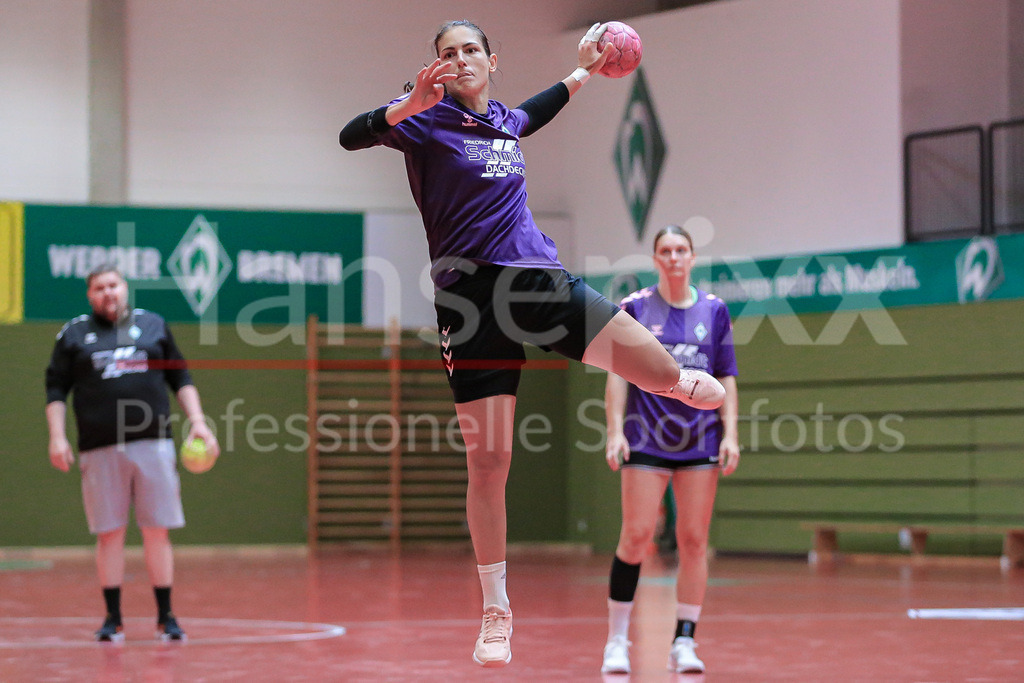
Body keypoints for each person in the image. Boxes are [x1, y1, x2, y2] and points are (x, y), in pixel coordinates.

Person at [339, 20, 725, 667]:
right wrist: (406, 105)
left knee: (661, 367)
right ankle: (496, 607)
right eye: (447, 53)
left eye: (470, 50)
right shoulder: (424, 122)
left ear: (491, 60)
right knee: (489, 463)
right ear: (435, 67)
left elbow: (532, 114)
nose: (459, 60)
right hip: (467, 303)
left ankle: (673, 383)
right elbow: (352, 135)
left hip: (534, 279)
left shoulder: (504, 122)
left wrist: (582, 71)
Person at [45, 265, 220, 643]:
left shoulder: (153, 325)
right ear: (89, 295)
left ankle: (166, 616)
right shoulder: (74, 333)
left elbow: (181, 378)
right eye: (98, 288)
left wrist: (199, 423)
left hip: (153, 443)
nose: (108, 292)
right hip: (99, 447)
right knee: (110, 534)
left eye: (113, 285)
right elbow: (56, 389)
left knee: (157, 531)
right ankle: (113, 618)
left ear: (125, 288)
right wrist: (56, 437)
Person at [600, 225, 739, 675]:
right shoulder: (635, 308)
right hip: (646, 437)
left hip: (700, 441)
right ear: (656, 259)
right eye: (666, 251)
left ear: (693, 257)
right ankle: (617, 640)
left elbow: (726, 378)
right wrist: (614, 431)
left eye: (682, 250)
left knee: (694, 541)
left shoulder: (714, 311)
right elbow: (618, 372)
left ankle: (685, 640)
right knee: (636, 536)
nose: (674, 257)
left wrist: (730, 434)